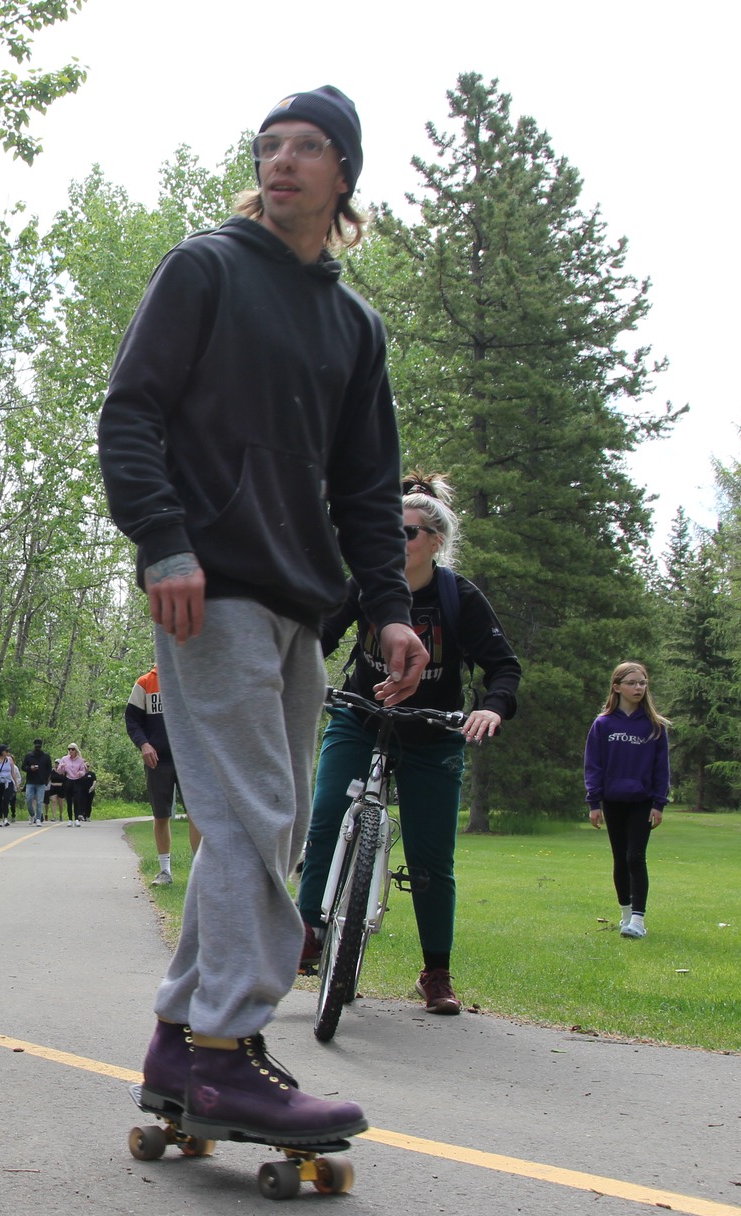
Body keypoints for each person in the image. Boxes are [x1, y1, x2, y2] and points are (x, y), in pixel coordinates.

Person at [99, 85, 428, 1146]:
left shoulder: (351, 326)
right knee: (251, 815)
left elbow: (366, 491)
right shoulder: (205, 267)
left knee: (261, 821)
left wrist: (387, 611)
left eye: (309, 148)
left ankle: (177, 1036)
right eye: (269, 145)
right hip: (209, 583)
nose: (282, 160)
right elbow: (130, 412)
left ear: (344, 176)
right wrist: (162, 540)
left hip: (300, 602)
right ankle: (226, 1053)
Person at [294, 474, 522, 1014]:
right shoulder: (365, 586)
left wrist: (491, 706)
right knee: (326, 815)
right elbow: (318, 640)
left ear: (436, 541)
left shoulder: (459, 598)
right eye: (389, 532)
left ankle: (436, 973)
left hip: (433, 731)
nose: (397, 543)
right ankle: (309, 931)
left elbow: (503, 668)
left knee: (430, 858)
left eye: (410, 534)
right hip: (360, 716)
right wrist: (293, 676)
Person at [586, 662, 671, 939]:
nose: (638, 688)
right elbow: (594, 765)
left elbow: (662, 768)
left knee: (636, 856)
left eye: (643, 683)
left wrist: (659, 803)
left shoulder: (654, 726)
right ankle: (625, 915)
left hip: (643, 801)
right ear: (617, 687)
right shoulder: (603, 725)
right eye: (632, 683)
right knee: (620, 858)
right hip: (612, 800)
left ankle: (638, 920)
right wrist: (594, 803)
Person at [125, 664, 198, 884]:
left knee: (197, 815)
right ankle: (165, 871)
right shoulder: (145, 682)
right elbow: (132, 720)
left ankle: (198, 871)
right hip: (157, 760)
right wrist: (144, 744)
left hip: (190, 760)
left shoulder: (192, 678)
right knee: (160, 816)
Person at [55, 743, 91, 826]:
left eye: (72, 749)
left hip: (77, 781)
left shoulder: (80, 760)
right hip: (68, 780)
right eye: (69, 749)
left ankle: (77, 819)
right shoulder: (64, 759)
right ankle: (70, 819)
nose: (70, 751)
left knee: (77, 800)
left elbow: (83, 771)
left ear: (76, 750)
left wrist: (80, 773)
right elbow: (59, 772)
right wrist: (62, 767)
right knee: (69, 801)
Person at [22, 740, 54, 825]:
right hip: (30, 781)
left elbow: (49, 769)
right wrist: (30, 768)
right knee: (29, 799)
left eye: (39, 747)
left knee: (40, 801)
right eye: (36, 747)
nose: (37, 749)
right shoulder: (29, 756)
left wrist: (46, 780)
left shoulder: (46, 756)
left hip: (41, 782)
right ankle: (32, 814)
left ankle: (38, 818)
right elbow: (23, 767)